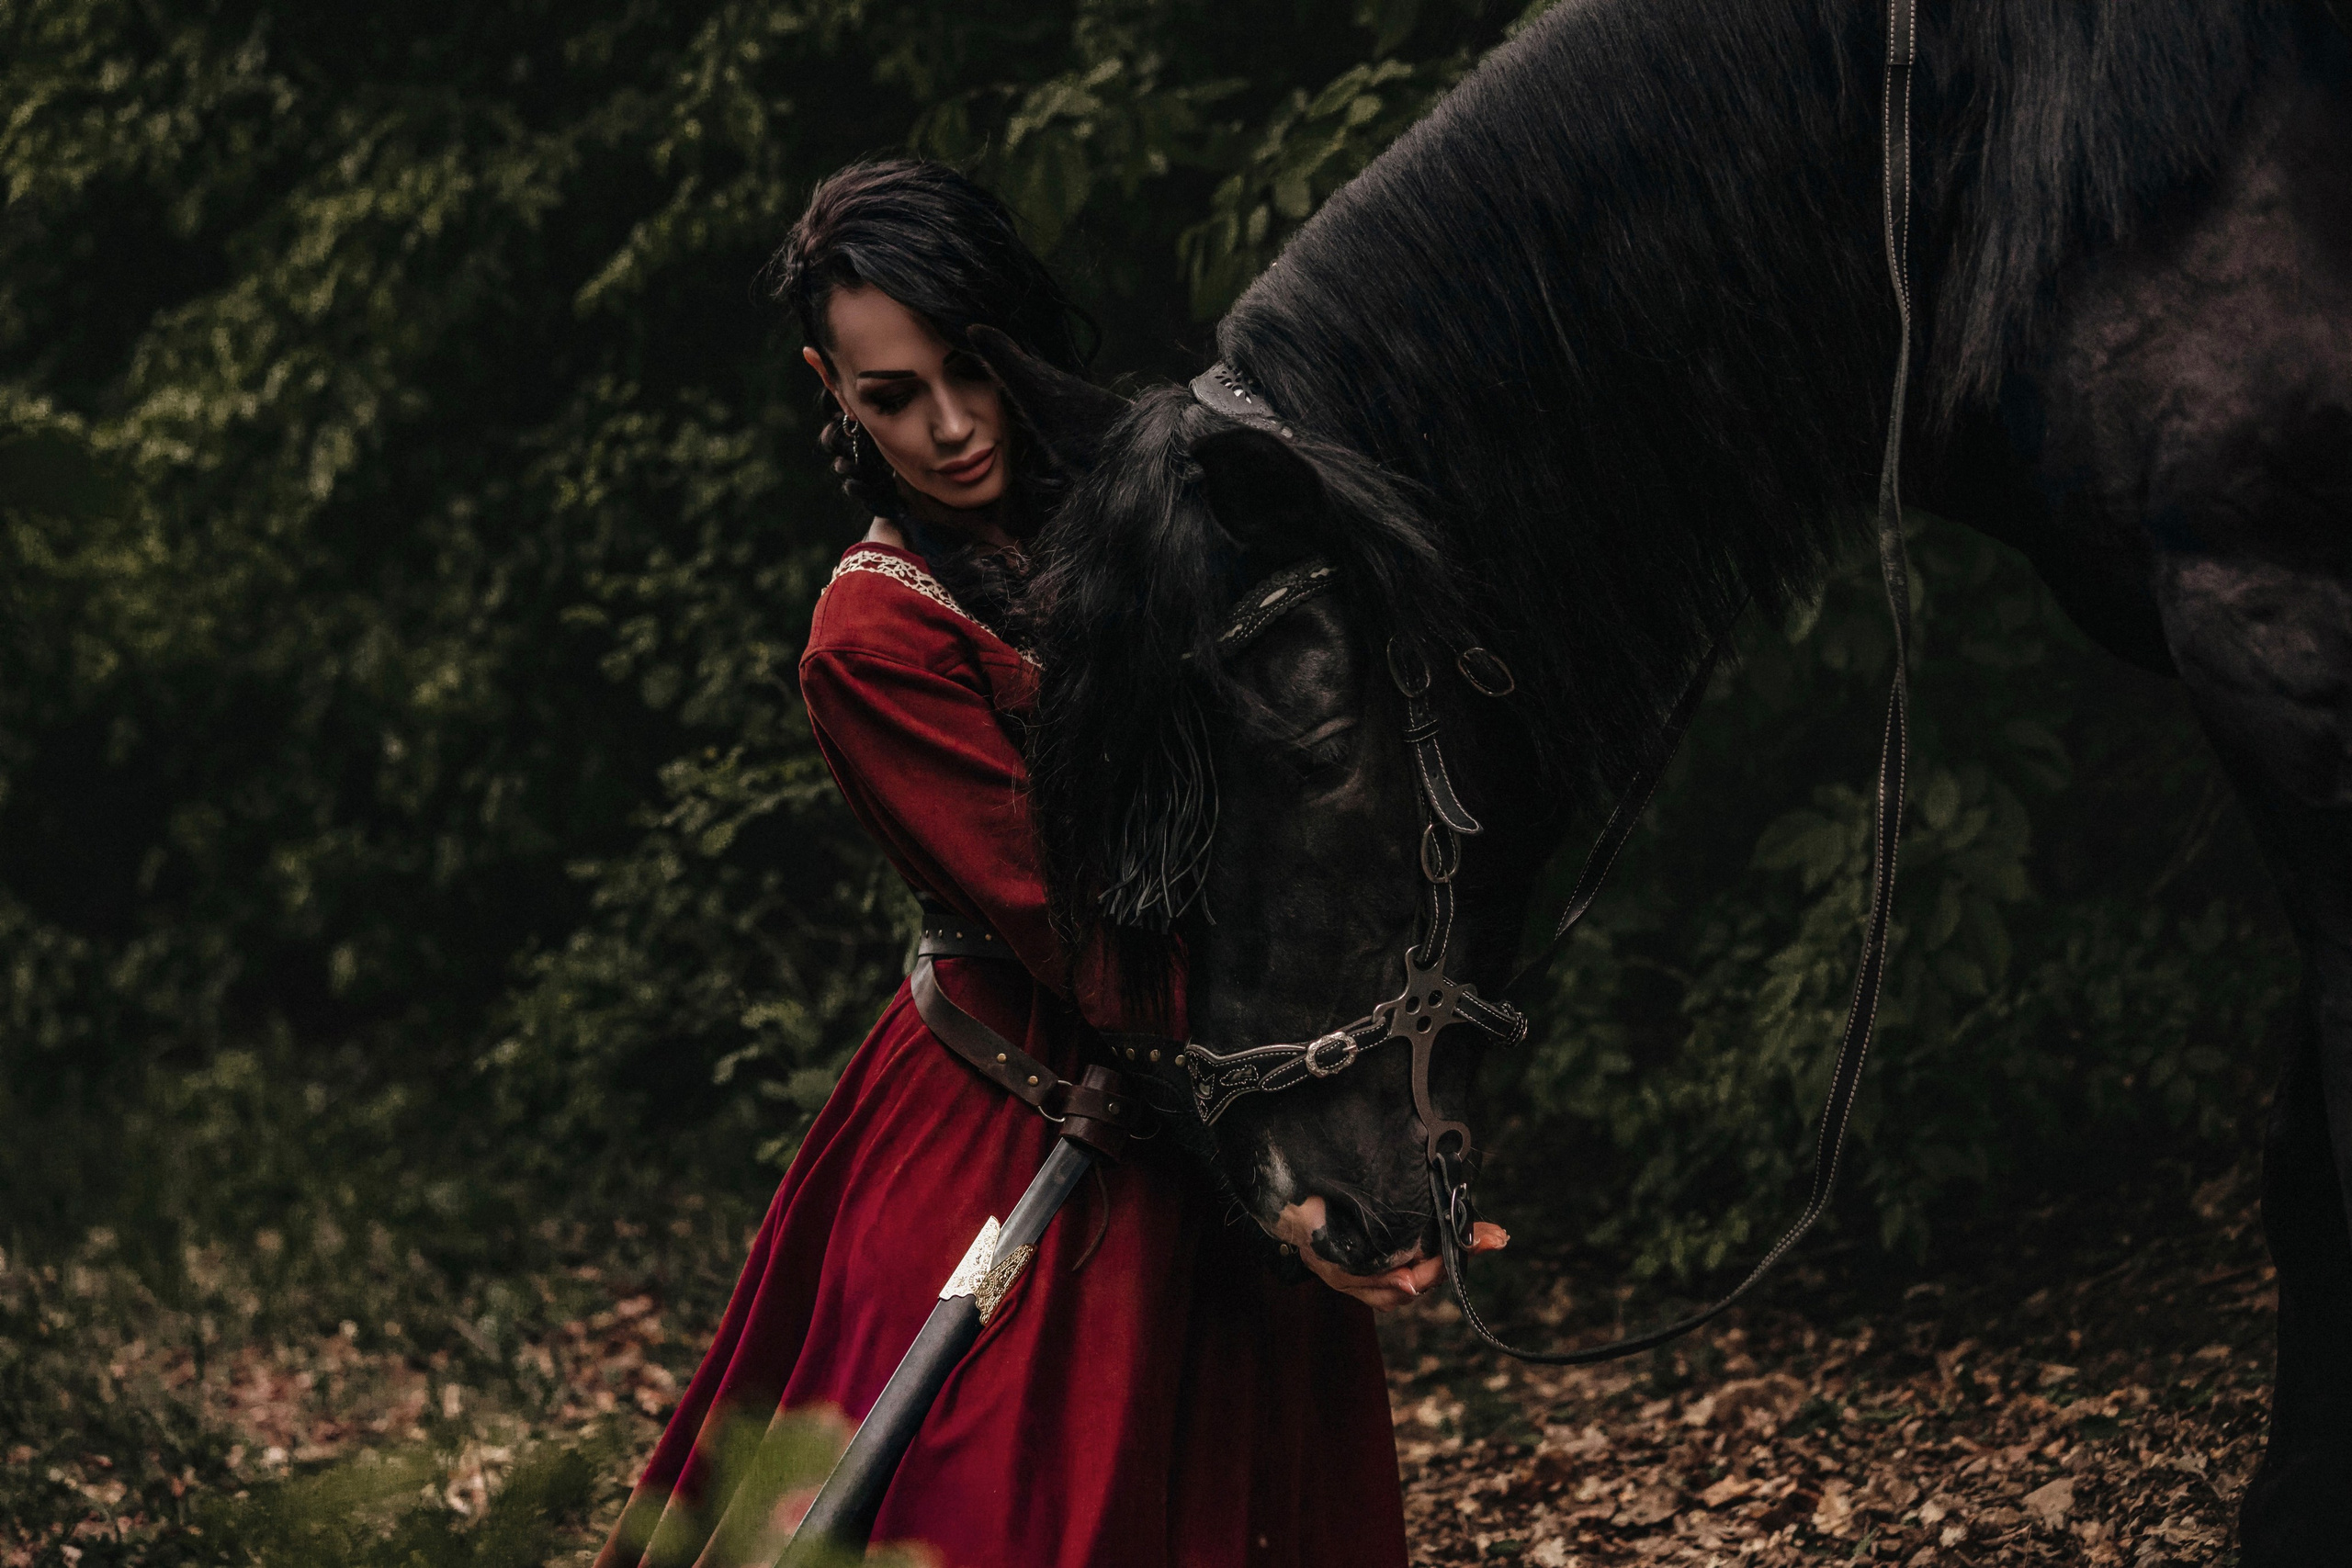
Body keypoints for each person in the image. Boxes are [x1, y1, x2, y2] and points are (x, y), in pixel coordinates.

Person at [592, 159, 1426, 1568]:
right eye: (891, 396)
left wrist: (1376, 1096)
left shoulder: (1151, 504)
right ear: (830, 386)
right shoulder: (873, 638)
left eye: (969, 368)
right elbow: (1089, 945)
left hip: (1233, 1081)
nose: (952, 425)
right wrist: (1304, 1160)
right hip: (1035, 1121)